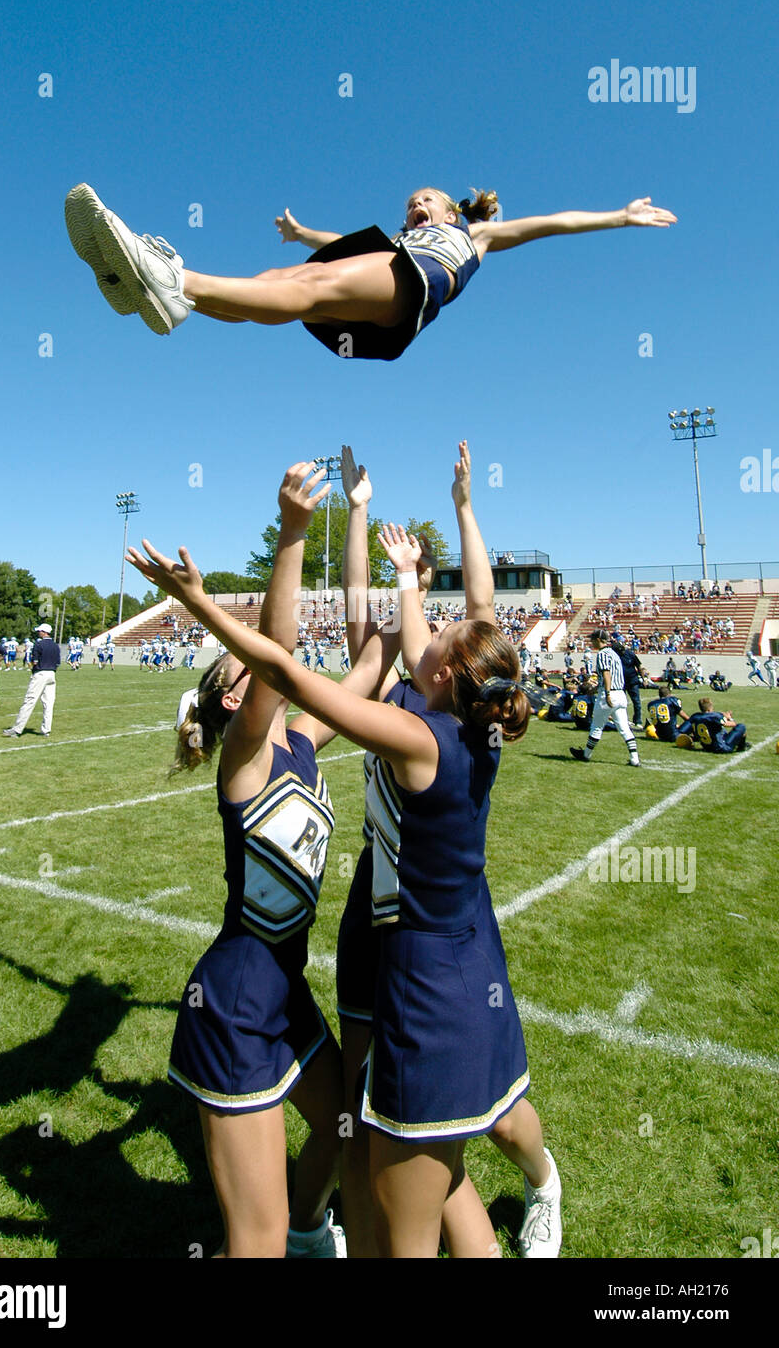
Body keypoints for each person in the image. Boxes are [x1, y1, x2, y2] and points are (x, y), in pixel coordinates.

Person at [127, 453, 558, 1259]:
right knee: (365, 1170)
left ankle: (318, 1226)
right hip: (298, 980)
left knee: (379, 1156)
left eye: (437, 640)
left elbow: (320, 660)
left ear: (446, 673)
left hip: (373, 975)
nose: (423, 636)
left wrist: (218, 594)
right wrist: (365, 537)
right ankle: (306, 1230)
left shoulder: (398, 728)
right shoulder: (431, 724)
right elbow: (325, 654)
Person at [160, 464, 353, 1259]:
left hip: (285, 994)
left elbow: (370, 661)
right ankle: (287, 1235)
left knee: (347, 1117)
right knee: (254, 1241)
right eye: (240, 666)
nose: (258, 665)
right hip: (235, 1003)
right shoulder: (245, 759)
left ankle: (311, 1226)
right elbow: (276, 653)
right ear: (236, 699)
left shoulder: (302, 746)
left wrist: (362, 524)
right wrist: (292, 533)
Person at [65, 182, 676, 359]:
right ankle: (175, 299)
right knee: (285, 280)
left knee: (313, 284)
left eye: (426, 200)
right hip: (387, 295)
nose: (416, 206)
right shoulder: (398, 238)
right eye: (409, 202)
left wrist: (619, 217)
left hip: (418, 288)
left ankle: (173, 278)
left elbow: (550, 223)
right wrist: (305, 233)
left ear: (449, 209)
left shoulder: (474, 234)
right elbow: (341, 250)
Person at [570, 631, 640, 766]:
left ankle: (586, 754)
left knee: (596, 727)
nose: (591, 643)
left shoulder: (602, 654)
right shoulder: (615, 654)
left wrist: (607, 693)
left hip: (609, 694)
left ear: (598, 639)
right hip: (620, 693)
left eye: (592, 640)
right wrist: (594, 689)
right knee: (624, 728)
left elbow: (606, 674)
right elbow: (611, 676)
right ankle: (634, 758)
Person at [2, 624, 61, 737]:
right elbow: (57, 663)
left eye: (40, 631)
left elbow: (35, 662)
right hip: (52, 673)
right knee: (48, 703)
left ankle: (17, 729)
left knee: (29, 701)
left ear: (44, 632)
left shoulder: (38, 644)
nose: (38, 633)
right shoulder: (55, 646)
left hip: (40, 673)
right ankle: (46, 729)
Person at [677, 697, 748, 753]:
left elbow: (685, 730)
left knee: (719, 729)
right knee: (741, 726)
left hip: (706, 747)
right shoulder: (714, 716)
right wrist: (729, 718)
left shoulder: (695, 716)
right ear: (710, 708)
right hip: (721, 748)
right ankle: (741, 747)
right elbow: (732, 725)